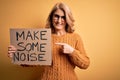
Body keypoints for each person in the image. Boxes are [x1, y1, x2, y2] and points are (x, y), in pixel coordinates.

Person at [8, 2, 90, 80]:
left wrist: (72, 51)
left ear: (68, 19)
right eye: (56, 16)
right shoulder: (44, 37)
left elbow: (85, 64)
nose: (59, 20)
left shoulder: (75, 37)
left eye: (63, 17)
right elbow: (32, 61)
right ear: (51, 17)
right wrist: (17, 55)